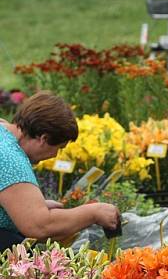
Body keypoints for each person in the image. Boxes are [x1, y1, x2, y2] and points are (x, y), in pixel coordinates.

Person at [0, 92, 120, 251]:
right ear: (43, 138)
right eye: (58, 147)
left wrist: (31, 205)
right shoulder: (10, 158)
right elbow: (39, 225)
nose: (55, 155)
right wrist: (93, 213)